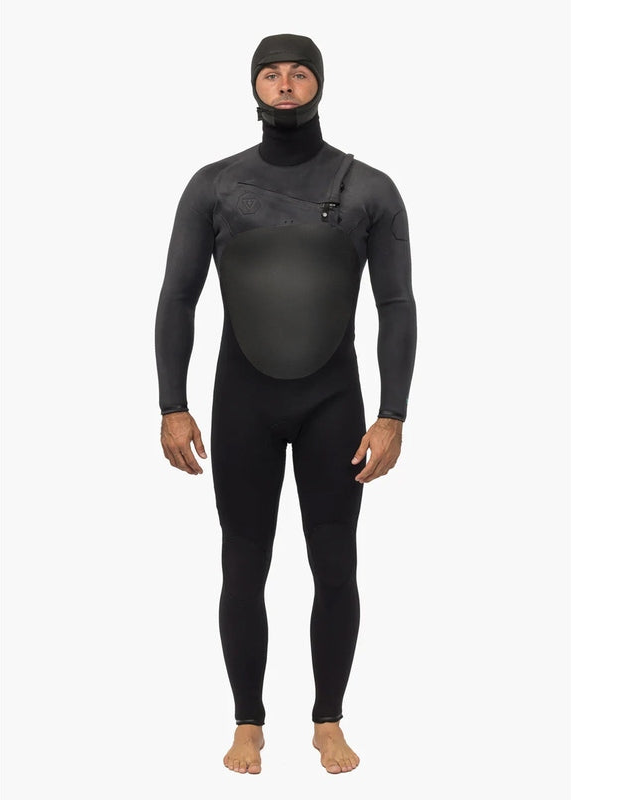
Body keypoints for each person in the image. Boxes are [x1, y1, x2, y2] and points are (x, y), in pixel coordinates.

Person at [154, 33, 417, 775]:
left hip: (335, 403)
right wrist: (172, 404)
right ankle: (248, 724)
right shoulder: (214, 186)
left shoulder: (369, 189)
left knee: (335, 565)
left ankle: (328, 721)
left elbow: (397, 305)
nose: (286, 83)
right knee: (243, 565)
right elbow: (177, 297)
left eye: (300, 72)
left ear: (319, 84)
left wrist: (393, 414)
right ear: (254, 87)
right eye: (271, 73)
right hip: (243, 403)